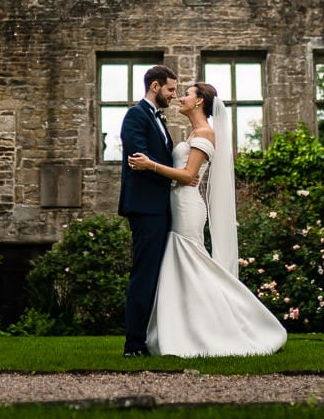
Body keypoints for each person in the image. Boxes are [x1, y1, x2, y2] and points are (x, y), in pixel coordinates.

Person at [128, 82, 287, 357]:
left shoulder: (204, 134)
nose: (181, 97)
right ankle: (183, 328)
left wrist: (150, 165)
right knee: (181, 265)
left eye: (187, 94)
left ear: (200, 101)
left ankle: (228, 323)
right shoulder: (193, 133)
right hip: (178, 204)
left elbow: (189, 176)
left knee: (191, 262)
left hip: (188, 207)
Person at [117, 64, 179, 358]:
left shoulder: (158, 119)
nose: (173, 96)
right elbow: (137, 158)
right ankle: (134, 344)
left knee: (157, 274)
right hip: (144, 207)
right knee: (143, 274)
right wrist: (173, 174)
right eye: (170, 89)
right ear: (155, 86)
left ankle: (155, 337)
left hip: (160, 207)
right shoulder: (136, 115)